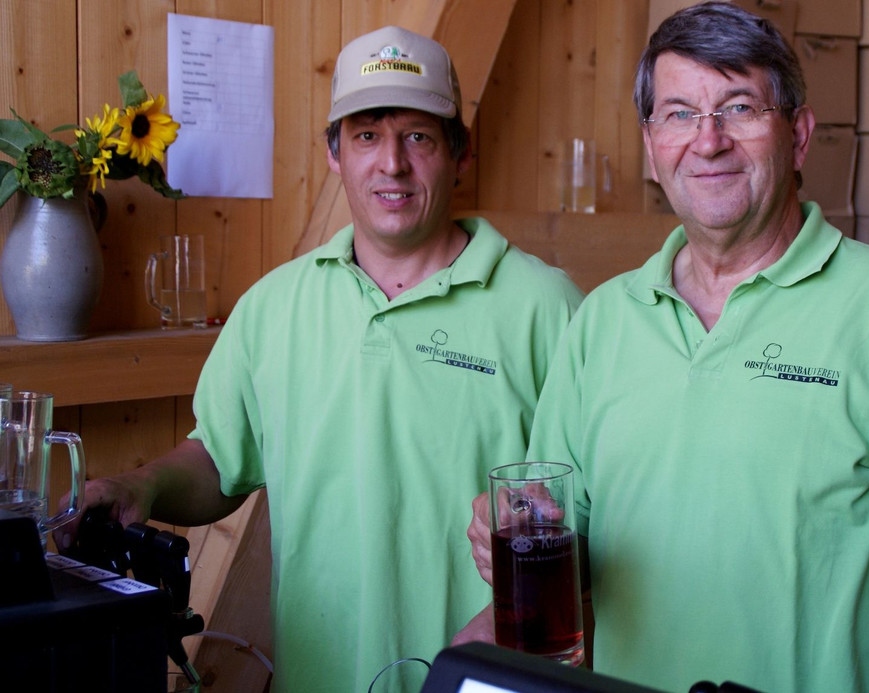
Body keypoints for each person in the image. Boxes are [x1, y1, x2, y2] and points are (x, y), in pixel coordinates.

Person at [458, 3, 869, 692]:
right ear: (652, 148)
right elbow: (565, 560)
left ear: (799, 136)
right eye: (679, 114)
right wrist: (510, 545)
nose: (709, 140)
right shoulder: (601, 322)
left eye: (740, 108)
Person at [56, 25, 583, 693]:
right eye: (366, 135)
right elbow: (221, 457)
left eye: (418, 136)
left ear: (460, 153)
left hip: (481, 680)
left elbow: (595, 505)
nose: (391, 163)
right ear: (334, 153)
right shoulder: (273, 307)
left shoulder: (548, 307)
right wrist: (144, 485)